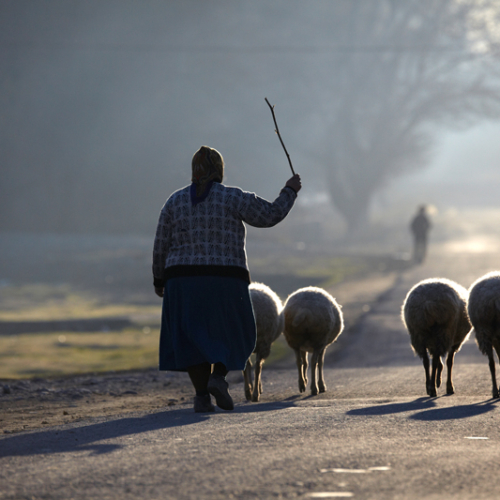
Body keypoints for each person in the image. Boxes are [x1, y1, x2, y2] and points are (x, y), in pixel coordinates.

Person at [152, 145, 301, 412]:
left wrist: (159, 279)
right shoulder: (233, 198)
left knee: (191, 338)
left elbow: (161, 242)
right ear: (219, 170)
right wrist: (289, 191)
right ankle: (218, 377)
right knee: (234, 331)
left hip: (182, 281)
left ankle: (201, 397)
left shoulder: (174, 202)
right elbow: (270, 215)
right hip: (225, 279)